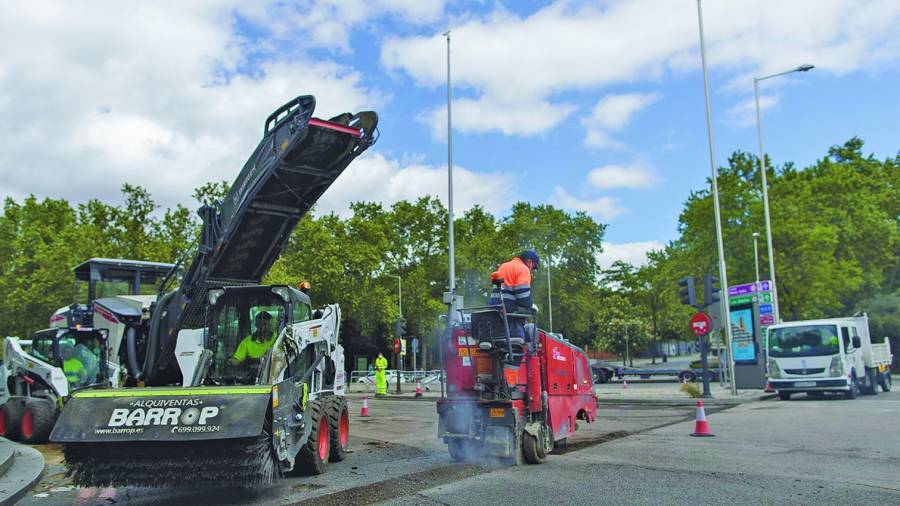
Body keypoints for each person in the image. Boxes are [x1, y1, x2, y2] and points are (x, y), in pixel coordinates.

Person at [489, 249, 540, 337]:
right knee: (531, 311)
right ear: (529, 261)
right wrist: (531, 305)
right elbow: (522, 297)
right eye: (533, 267)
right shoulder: (523, 269)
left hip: (496, 311)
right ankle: (519, 339)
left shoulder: (504, 266)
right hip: (509, 312)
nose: (532, 270)